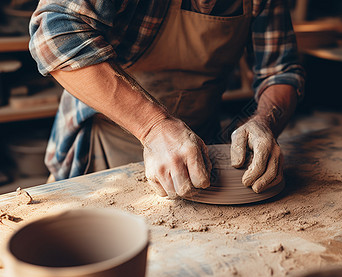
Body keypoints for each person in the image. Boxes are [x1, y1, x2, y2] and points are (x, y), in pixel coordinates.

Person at [29, 0, 305, 199]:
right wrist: (154, 127)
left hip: (200, 141)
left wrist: (264, 121)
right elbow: (54, 34)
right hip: (105, 146)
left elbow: (281, 72)